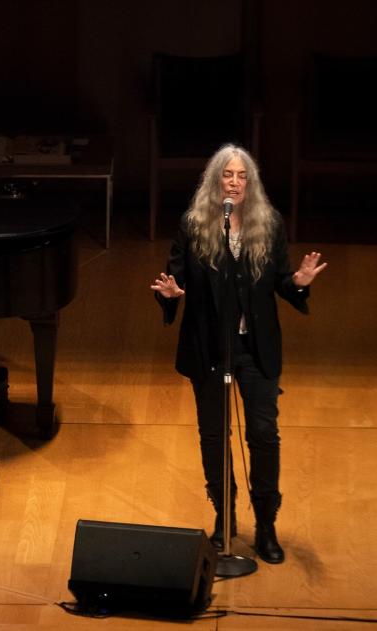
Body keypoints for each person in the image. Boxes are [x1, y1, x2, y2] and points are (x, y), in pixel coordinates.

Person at [151, 144, 327, 564]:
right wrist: (174, 295)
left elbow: (282, 282)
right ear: (216, 182)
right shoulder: (194, 226)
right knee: (215, 437)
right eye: (227, 175)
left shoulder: (268, 224)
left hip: (254, 350)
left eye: (241, 175)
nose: (234, 181)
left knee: (263, 435)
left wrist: (299, 282)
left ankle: (266, 524)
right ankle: (224, 519)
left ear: (251, 183)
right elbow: (175, 278)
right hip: (210, 347)